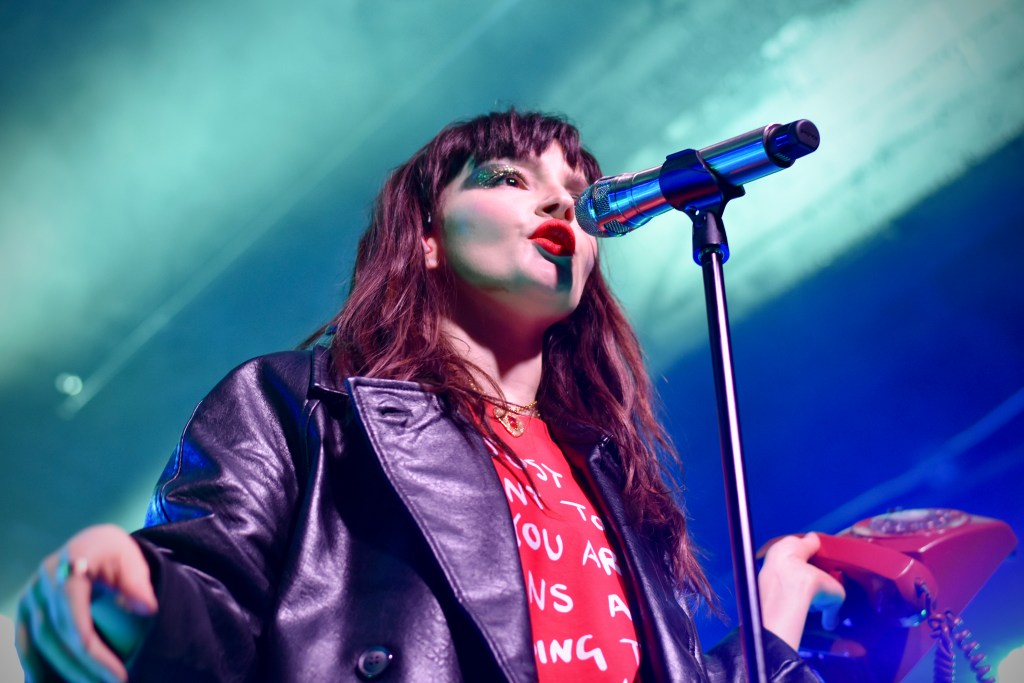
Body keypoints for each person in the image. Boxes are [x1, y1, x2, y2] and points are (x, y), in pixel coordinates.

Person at [16, 110, 844, 682]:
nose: (562, 198)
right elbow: (213, 596)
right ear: (426, 238)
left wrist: (771, 631)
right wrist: (135, 594)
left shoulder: (609, 473)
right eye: (509, 178)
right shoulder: (301, 405)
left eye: (575, 181)